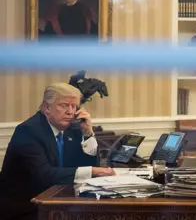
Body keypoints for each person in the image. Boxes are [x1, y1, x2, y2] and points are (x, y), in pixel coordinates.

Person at [0, 83, 116, 220]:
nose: (70, 112)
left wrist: (88, 133)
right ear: (47, 107)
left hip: (57, 204)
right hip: (26, 210)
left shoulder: (71, 130)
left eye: (74, 106)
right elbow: (43, 175)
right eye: (64, 105)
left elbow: (85, 165)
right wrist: (93, 171)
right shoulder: (29, 131)